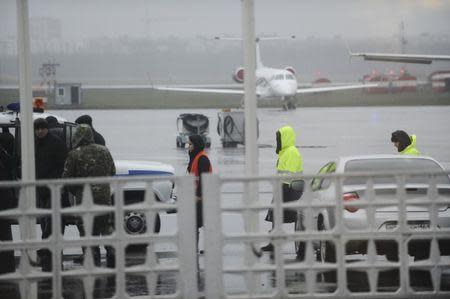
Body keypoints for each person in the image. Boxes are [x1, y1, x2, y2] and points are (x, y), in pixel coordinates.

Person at [62, 124, 116, 268]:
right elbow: (112, 171)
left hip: (84, 198)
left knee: (86, 228)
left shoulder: (75, 154)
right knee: (106, 225)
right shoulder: (104, 151)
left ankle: (92, 255)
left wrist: (75, 190)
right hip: (104, 197)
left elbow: (66, 178)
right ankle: (112, 251)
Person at [261, 125, 303, 257]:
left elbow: (288, 175)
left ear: (285, 138)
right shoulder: (285, 152)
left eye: (279, 138)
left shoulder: (291, 152)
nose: (277, 141)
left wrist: (282, 190)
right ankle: (274, 242)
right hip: (283, 188)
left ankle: (299, 244)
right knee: (276, 216)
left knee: (292, 216)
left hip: (290, 189)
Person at [34, 118, 68, 271]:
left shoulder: (56, 143)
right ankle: (47, 250)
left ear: (47, 129)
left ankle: (47, 247)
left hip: (53, 186)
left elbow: (63, 164)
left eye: (42, 128)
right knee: (44, 219)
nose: (40, 131)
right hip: (39, 187)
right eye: (37, 128)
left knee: (52, 218)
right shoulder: (32, 143)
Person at [187, 134, 212, 254]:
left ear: (196, 145)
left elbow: (203, 178)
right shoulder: (194, 156)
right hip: (196, 196)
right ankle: (195, 248)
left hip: (202, 196)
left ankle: (203, 248)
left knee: (200, 222)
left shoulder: (202, 158)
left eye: (190, 144)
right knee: (196, 223)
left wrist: (199, 195)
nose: (188, 146)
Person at [0, 133, 17, 274]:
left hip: (4, 199)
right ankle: (7, 266)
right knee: (5, 233)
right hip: (5, 200)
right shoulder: (5, 156)